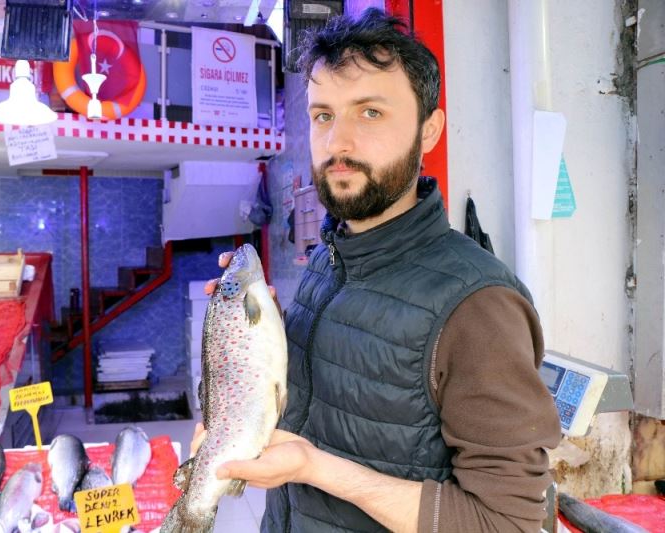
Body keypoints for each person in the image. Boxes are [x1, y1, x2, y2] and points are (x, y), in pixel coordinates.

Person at [199, 8, 561, 532]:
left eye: (370, 112)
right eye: (323, 115)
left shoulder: (479, 304)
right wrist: (256, 341)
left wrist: (315, 469)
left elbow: (508, 523)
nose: (337, 143)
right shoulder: (329, 258)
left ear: (429, 130)